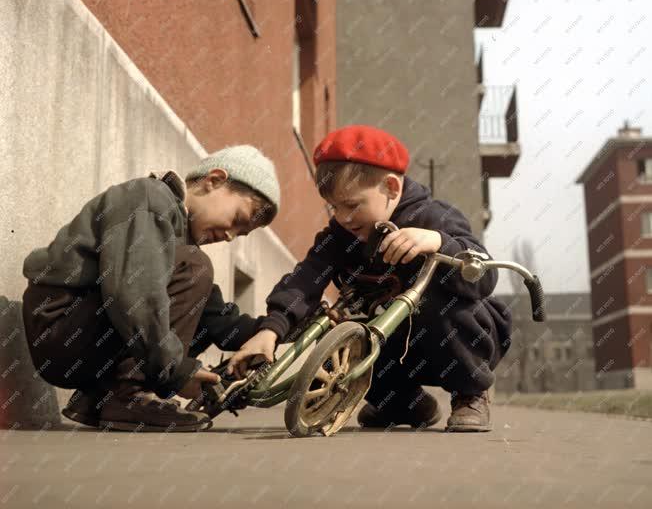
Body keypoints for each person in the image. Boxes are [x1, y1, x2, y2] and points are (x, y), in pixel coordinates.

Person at [228, 125, 512, 432]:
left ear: (391, 187)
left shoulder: (435, 218)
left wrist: (439, 242)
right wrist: (271, 328)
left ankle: (470, 393)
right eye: (334, 207)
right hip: (392, 342)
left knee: (442, 303)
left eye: (352, 205)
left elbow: (485, 275)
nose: (343, 217)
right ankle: (403, 404)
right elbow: (305, 279)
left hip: (453, 337)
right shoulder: (340, 237)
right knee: (344, 324)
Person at [21, 145, 280, 432]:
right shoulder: (149, 199)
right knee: (195, 268)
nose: (231, 237)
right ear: (214, 180)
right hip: (60, 329)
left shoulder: (178, 233)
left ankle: (101, 399)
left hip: (81, 335)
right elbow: (134, 294)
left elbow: (217, 318)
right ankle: (130, 396)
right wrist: (177, 372)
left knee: (195, 279)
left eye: (241, 234)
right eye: (237, 220)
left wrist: (274, 330)